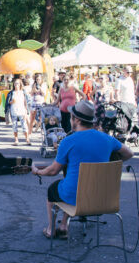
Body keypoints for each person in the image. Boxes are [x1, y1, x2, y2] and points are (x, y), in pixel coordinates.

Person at [32, 100, 133, 239]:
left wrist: (37, 171)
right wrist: (110, 164)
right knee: (71, 183)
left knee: (55, 189)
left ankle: (51, 229)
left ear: (76, 119)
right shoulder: (107, 139)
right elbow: (129, 153)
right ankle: (63, 226)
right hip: (103, 199)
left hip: (76, 199)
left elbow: (52, 171)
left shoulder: (68, 141)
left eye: (71, 116)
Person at [9, 78, 30, 145]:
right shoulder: (11, 93)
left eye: (17, 83)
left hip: (22, 111)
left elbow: (26, 102)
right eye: (15, 83)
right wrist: (12, 101)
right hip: (14, 111)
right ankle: (16, 140)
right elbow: (7, 102)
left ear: (20, 84)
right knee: (14, 126)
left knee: (24, 126)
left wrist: (26, 111)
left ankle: (27, 139)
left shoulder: (23, 92)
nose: (16, 85)